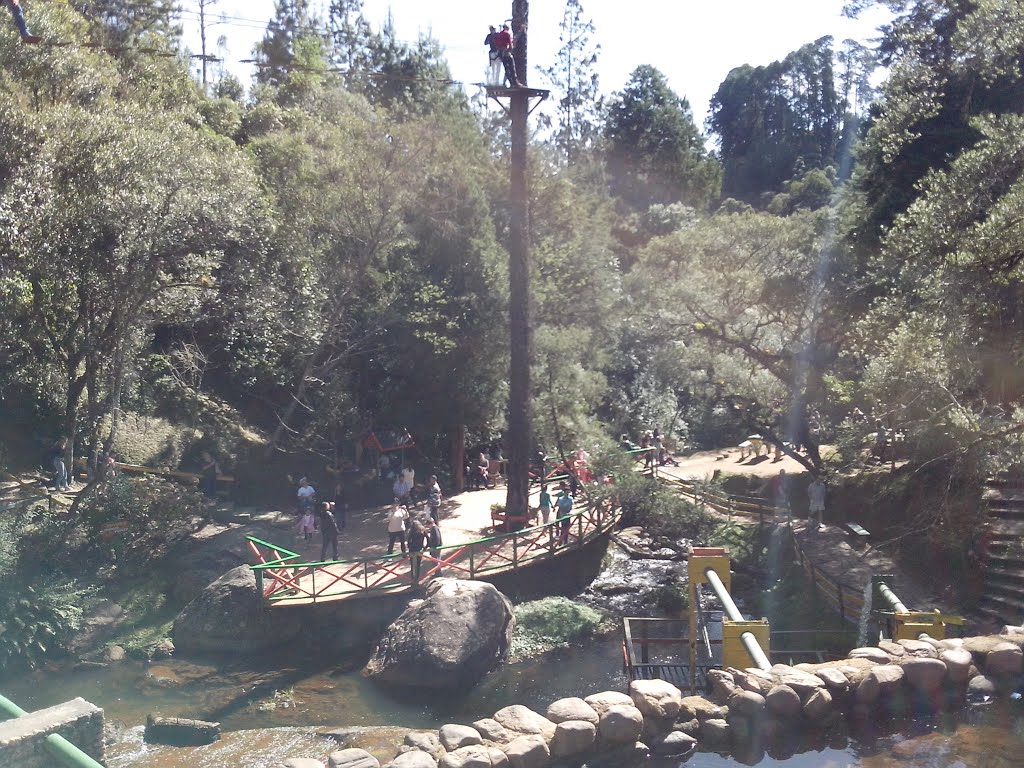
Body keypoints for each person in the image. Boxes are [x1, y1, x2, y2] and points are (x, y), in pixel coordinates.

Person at [495, 23, 519, 87]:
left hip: (500, 53)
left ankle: (510, 83)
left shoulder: (499, 34)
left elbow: (496, 44)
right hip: (506, 52)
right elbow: (510, 45)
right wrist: (510, 50)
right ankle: (515, 83)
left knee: (506, 68)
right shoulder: (507, 33)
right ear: (507, 28)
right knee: (512, 67)